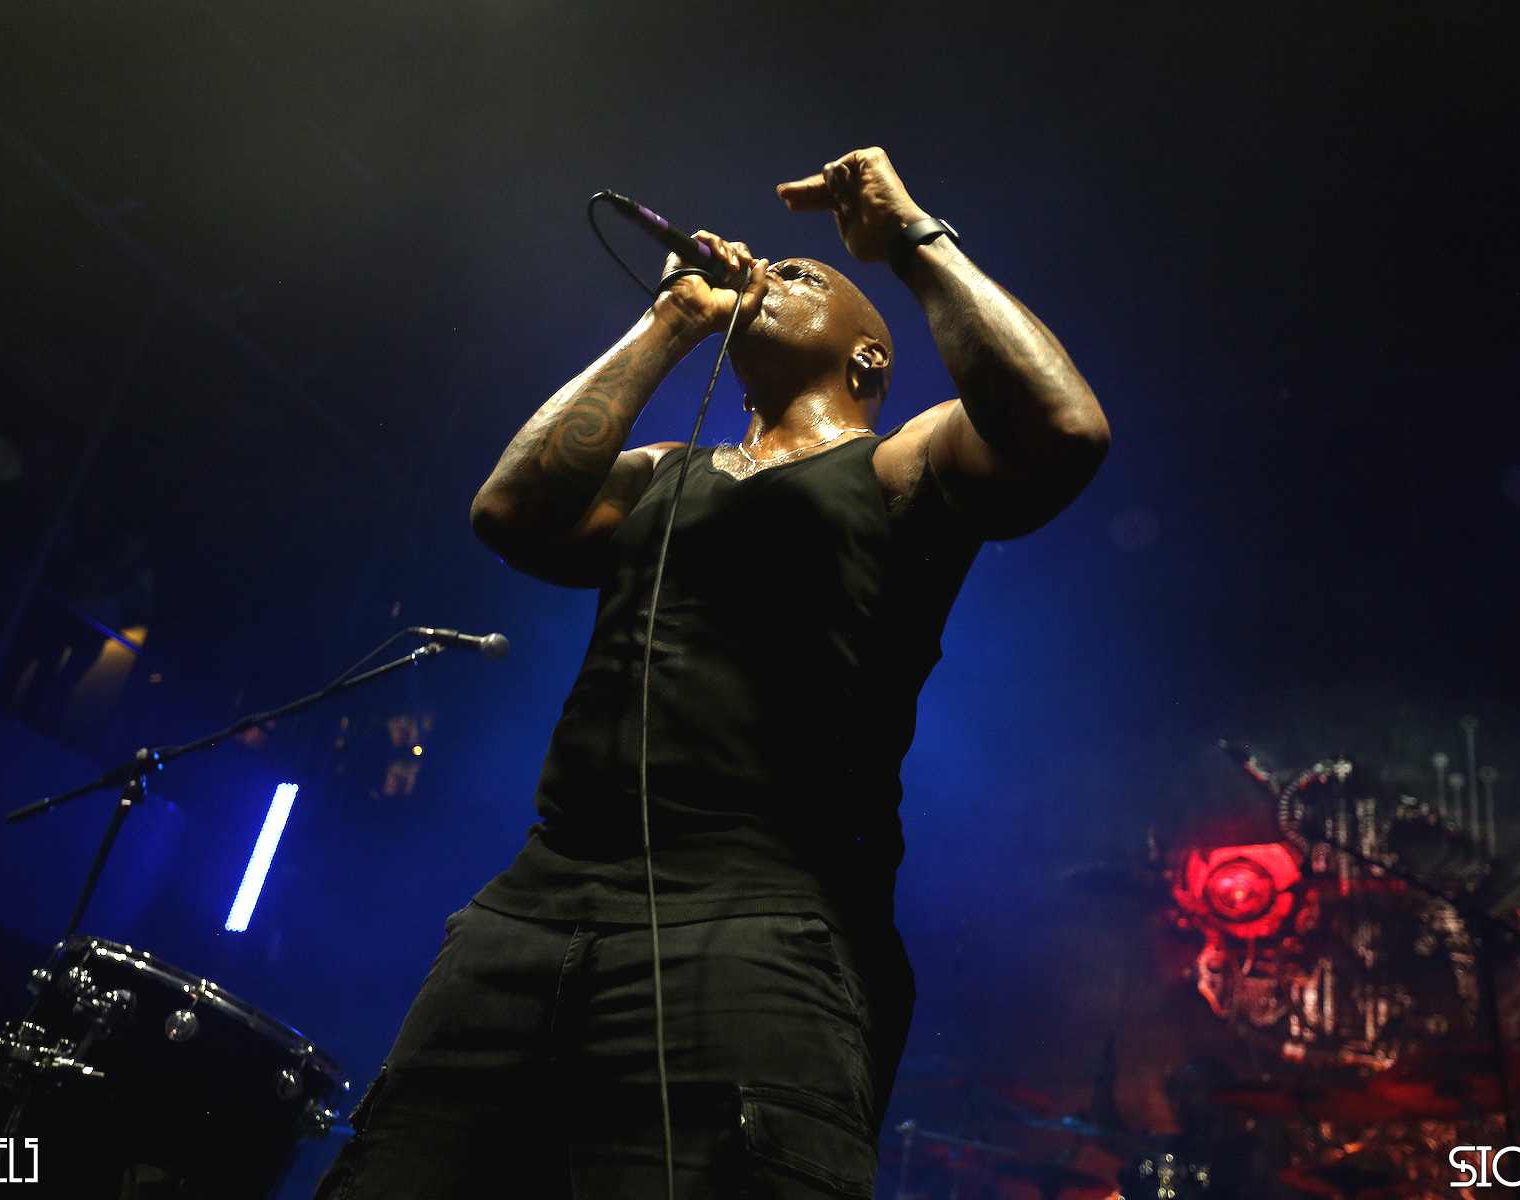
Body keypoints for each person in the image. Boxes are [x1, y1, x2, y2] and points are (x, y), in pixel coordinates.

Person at [313, 147, 1109, 1199]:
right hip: (525, 916)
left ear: (868, 361)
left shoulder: (896, 465)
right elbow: (509, 512)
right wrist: (671, 321)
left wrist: (910, 240)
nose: (769, 271)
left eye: (804, 275)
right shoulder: (662, 473)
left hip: (762, 929)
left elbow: (1063, 429)